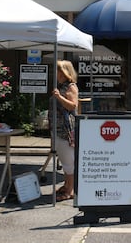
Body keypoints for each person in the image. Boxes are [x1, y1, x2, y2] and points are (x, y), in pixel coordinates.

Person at [51, 60, 79, 202]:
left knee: (68, 161)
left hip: (66, 130)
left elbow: (73, 106)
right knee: (64, 159)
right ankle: (67, 185)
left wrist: (59, 97)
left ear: (64, 72)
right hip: (58, 128)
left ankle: (70, 190)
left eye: (58, 71)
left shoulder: (71, 87)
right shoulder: (61, 86)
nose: (56, 74)